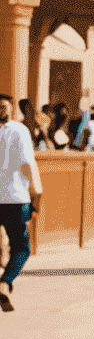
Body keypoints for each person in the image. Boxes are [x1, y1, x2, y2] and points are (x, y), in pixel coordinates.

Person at [0, 93, 43, 312]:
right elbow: (27, 163)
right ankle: (5, 282)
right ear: (13, 109)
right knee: (21, 248)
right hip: (15, 198)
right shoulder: (19, 130)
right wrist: (37, 192)